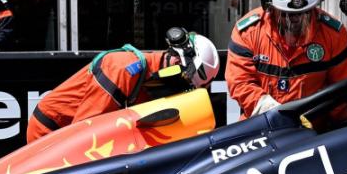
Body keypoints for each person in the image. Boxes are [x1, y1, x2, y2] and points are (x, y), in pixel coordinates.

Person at [25, 28, 220, 141]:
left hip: (67, 134)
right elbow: (85, 132)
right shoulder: (122, 69)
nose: (181, 90)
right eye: (185, 81)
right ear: (179, 63)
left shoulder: (152, 81)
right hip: (50, 134)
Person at [226, 0, 347, 118]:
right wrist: (276, 113)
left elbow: (341, 93)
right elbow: (240, 83)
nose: (296, 20)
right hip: (260, 127)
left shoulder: (333, 35)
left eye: (304, 13)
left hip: (314, 133)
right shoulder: (248, 33)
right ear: (270, 7)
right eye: (286, 14)